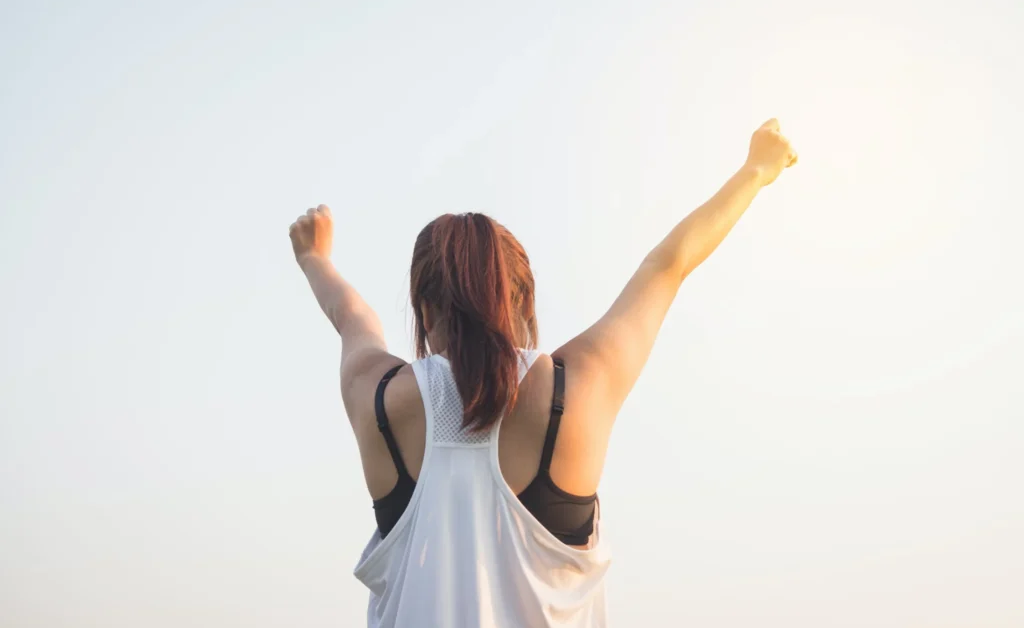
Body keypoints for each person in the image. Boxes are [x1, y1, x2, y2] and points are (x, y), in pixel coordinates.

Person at [289, 119, 799, 627]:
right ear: (524, 301)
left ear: (423, 311)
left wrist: (315, 257)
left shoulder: (378, 400)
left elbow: (352, 317)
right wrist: (755, 170)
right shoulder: (578, 388)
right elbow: (667, 266)